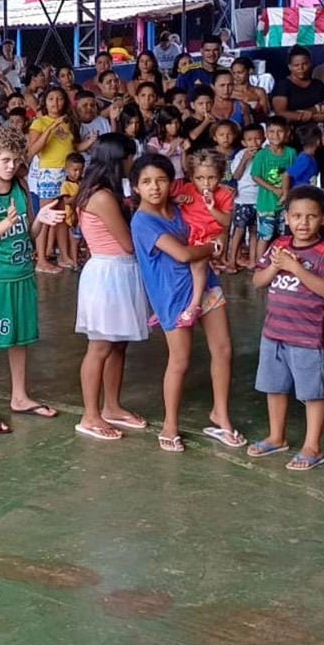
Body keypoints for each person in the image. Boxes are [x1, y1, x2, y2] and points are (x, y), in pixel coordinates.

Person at [130, 152, 244, 453]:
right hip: (171, 295)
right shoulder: (142, 221)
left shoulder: (181, 207)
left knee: (223, 349)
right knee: (179, 361)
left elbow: (215, 224)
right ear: (135, 187)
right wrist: (213, 246)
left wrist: (215, 239)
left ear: (174, 183)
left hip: (207, 283)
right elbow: (182, 254)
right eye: (146, 182)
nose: (155, 187)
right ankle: (170, 424)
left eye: (161, 180)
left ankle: (220, 413)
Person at [0, 125, 62, 435]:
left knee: (19, 338)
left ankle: (20, 396)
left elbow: (27, 234)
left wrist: (40, 220)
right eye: (5, 160)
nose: (11, 166)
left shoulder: (20, 187)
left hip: (22, 272)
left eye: (16, 161)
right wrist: (3, 224)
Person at [246, 186, 324, 472]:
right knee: (273, 388)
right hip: (274, 332)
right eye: (297, 216)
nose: (303, 222)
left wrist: (296, 268)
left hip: (307, 336)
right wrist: (277, 267)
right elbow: (258, 281)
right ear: (286, 217)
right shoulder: (279, 245)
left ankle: (312, 446)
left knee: (311, 393)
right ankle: (277, 436)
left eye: (311, 216)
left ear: (323, 218)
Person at [72, 134, 150, 441]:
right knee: (101, 346)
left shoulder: (107, 192)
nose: (133, 163)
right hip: (109, 273)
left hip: (119, 272)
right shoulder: (101, 196)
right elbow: (128, 243)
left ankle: (112, 406)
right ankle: (90, 415)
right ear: (119, 160)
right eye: (130, 158)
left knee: (119, 343)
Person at [170, 151, 232, 321]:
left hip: (208, 237)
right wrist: (177, 200)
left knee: (198, 267)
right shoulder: (187, 188)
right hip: (187, 235)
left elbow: (226, 221)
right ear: (191, 177)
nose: (206, 183)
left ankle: (195, 304)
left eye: (211, 178)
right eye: (200, 178)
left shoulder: (225, 194)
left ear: (220, 176)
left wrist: (212, 207)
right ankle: (176, 305)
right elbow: (170, 200)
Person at [27, 87, 76, 272]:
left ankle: (64, 256)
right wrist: (52, 127)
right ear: (44, 103)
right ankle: (41, 260)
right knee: (46, 216)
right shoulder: (38, 123)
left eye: (60, 99)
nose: (56, 103)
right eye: (51, 99)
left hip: (66, 173)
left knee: (63, 217)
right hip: (49, 173)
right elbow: (34, 149)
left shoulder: (69, 123)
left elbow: (74, 147)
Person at [250, 118, 296, 261]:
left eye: (280, 131)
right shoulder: (261, 155)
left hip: (286, 204)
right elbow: (255, 176)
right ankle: (260, 265)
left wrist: (286, 192)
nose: (275, 135)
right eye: (271, 131)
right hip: (266, 204)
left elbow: (293, 174)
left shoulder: (291, 153)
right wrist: (275, 190)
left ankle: (282, 262)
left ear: (287, 133)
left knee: (285, 236)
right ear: (266, 134)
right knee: (265, 235)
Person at [225, 123, 265, 272]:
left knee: (255, 231)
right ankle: (231, 261)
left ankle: (253, 261)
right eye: (250, 140)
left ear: (264, 139)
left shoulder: (266, 154)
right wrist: (245, 160)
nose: (254, 143)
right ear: (243, 142)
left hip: (260, 199)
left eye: (257, 139)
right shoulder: (241, 154)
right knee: (239, 230)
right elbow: (235, 175)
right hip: (243, 199)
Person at [269, 46, 324, 127]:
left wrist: (316, 111)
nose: (301, 68)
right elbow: (280, 113)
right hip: (293, 131)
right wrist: (311, 117)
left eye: (304, 64)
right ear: (290, 67)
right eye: (296, 65)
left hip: (318, 131)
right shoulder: (283, 85)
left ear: (310, 63)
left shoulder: (318, 84)